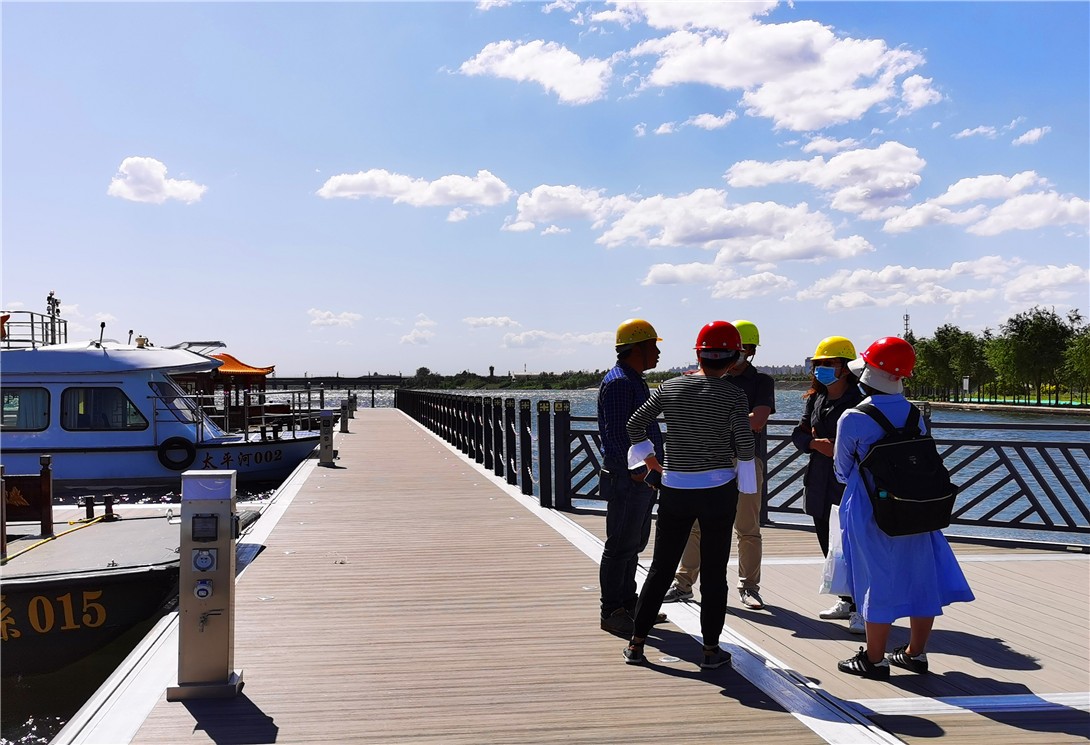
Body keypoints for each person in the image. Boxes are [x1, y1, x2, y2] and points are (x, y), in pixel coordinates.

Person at [833, 337, 975, 679]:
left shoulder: (854, 417)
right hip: (918, 508)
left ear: (869, 372)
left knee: (875, 578)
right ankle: (915, 653)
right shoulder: (915, 414)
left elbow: (841, 469)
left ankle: (875, 659)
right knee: (920, 576)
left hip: (872, 509)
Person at [621, 321, 755, 669]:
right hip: (717, 491)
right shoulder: (734, 395)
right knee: (713, 572)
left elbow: (634, 425)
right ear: (733, 357)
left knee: (661, 567)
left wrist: (652, 461)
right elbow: (744, 444)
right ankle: (711, 650)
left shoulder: (669, 388)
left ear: (698, 354)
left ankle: (636, 645)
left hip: (675, 488)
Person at [662, 321, 774, 610]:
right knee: (695, 526)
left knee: (747, 528)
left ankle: (749, 586)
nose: (738, 357)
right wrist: (733, 418)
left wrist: (717, 419)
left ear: (750, 352)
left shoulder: (762, 381)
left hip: (747, 461)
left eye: (744, 351)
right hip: (710, 463)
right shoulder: (703, 378)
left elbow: (757, 421)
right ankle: (683, 583)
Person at [791, 336, 865, 634]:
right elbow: (798, 434)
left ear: (845, 368)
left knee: (854, 545)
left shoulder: (859, 400)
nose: (820, 369)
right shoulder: (816, 398)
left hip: (849, 483)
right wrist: (813, 443)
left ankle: (863, 607)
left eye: (828, 364)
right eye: (817, 364)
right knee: (828, 542)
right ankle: (846, 599)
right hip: (820, 480)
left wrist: (838, 448)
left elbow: (864, 441)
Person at [597, 319, 665, 637]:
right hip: (629, 479)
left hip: (639, 478)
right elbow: (618, 436)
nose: (658, 352)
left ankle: (629, 604)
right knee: (621, 545)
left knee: (632, 544)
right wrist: (638, 472)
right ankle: (612, 611)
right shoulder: (621, 382)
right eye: (653, 345)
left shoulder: (632, 379)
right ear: (636, 348)